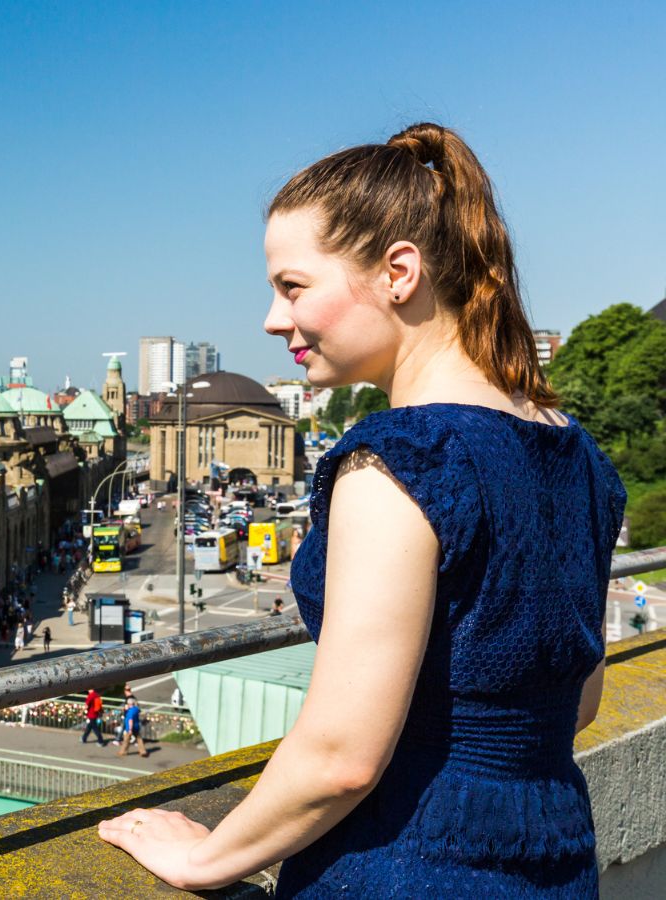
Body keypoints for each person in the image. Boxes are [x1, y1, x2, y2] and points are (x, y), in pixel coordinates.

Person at [98, 123, 624, 896]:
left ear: (398, 273)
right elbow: (577, 702)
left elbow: (341, 758)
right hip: (556, 866)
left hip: (405, 868)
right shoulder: (579, 457)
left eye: (293, 286)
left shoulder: (399, 462)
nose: (274, 320)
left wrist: (203, 857)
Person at [118, 693, 149, 758]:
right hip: (136, 726)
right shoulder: (136, 709)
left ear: (129, 704)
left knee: (126, 740)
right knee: (139, 739)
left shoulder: (130, 712)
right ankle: (143, 751)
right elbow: (138, 710)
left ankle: (122, 752)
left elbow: (130, 721)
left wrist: (130, 729)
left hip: (130, 728)